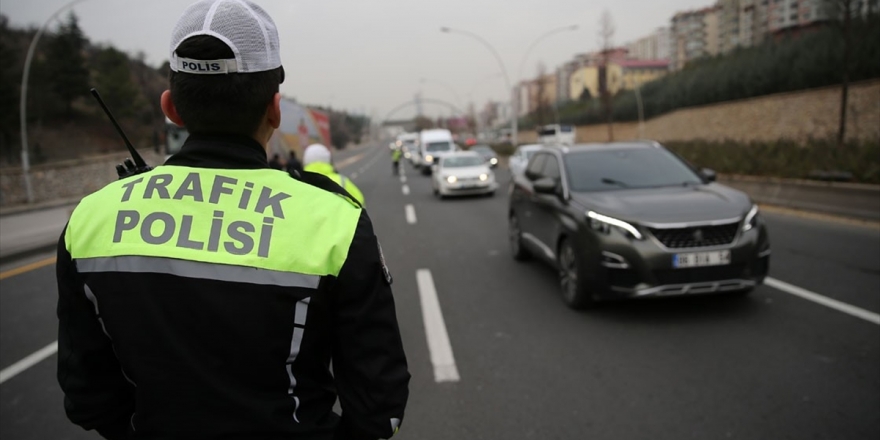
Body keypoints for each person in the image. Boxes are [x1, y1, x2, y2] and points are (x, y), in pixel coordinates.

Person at [55, 1, 409, 439]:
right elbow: (379, 410)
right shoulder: (335, 221)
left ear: (171, 107)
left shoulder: (90, 220)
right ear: (275, 109)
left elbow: (87, 397)